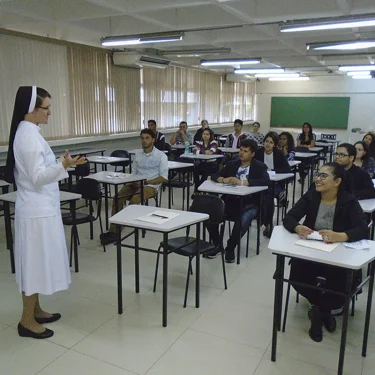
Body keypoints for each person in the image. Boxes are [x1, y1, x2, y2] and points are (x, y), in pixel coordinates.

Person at [4, 86, 86, 339]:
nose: (50, 113)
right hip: (36, 212)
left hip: (41, 209)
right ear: (31, 109)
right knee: (33, 266)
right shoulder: (27, 136)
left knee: (36, 265)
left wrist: (63, 164)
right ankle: (26, 321)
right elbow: (38, 178)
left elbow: (38, 170)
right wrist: (62, 164)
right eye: (46, 108)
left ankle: (36, 310)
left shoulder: (30, 132)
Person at [283, 162, 368, 343]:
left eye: (323, 176)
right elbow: (289, 217)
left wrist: (341, 236)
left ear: (337, 181)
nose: (318, 179)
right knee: (296, 276)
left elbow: (363, 229)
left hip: (339, 255)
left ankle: (318, 313)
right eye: (317, 175)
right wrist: (297, 227)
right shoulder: (311, 196)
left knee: (343, 288)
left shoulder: (348, 201)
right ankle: (323, 312)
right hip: (313, 251)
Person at [100, 129, 168, 245]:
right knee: (117, 198)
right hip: (136, 183)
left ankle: (116, 232)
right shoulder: (138, 154)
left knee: (134, 201)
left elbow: (163, 178)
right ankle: (113, 230)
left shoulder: (161, 156)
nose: (144, 141)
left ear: (153, 140)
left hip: (150, 186)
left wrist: (145, 182)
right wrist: (133, 181)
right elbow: (133, 173)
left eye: (147, 138)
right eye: (142, 138)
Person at [206, 139, 269, 263]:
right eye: (241, 150)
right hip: (231, 200)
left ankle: (230, 247)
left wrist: (244, 182)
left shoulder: (259, 166)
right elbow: (215, 175)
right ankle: (218, 244)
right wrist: (223, 180)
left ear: (252, 154)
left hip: (250, 203)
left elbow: (266, 181)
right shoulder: (233, 163)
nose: (241, 153)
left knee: (243, 219)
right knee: (209, 214)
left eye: (245, 151)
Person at [254, 131, 291, 237]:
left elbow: (287, 169)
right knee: (260, 195)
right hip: (261, 182)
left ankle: (268, 223)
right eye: (266, 141)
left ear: (274, 144)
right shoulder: (259, 152)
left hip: (276, 183)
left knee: (268, 196)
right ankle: (264, 221)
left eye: (271, 142)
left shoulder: (278, 154)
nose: (268, 144)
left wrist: (273, 170)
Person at [192, 128, 218, 194]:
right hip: (203, 163)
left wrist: (199, 150)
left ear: (210, 135)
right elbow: (194, 151)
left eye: (207, 134)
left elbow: (210, 153)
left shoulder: (213, 143)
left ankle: (198, 190)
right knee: (195, 170)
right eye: (204, 134)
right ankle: (197, 189)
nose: (205, 136)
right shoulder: (200, 142)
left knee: (205, 172)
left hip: (212, 164)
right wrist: (203, 151)